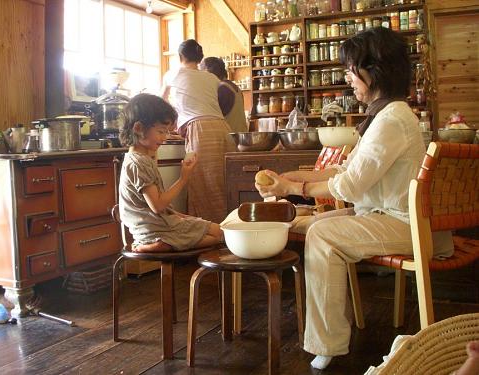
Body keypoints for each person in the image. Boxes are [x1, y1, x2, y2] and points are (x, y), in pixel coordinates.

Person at [255, 27, 453, 370]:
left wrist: (292, 189)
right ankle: (329, 336)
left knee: (321, 234)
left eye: (351, 70)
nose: (348, 78)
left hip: (408, 225)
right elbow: (343, 171)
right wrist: (290, 179)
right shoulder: (385, 114)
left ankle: (327, 343)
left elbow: (348, 187)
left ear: (374, 70)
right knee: (316, 224)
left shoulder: (392, 118)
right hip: (388, 217)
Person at [118, 93, 223, 253]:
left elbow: (157, 207)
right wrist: (183, 178)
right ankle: (160, 244)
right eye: (161, 131)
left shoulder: (139, 158)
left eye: (167, 131)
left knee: (218, 233)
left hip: (155, 224)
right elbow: (158, 206)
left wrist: (183, 216)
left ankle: (165, 243)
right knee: (220, 235)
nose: (165, 137)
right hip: (154, 228)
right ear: (138, 128)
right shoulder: (139, 162)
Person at [161, 39, 234, 224]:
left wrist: (166, 126)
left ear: (180, 57)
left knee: (204, 185)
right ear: (200, 58)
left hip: (201, 130)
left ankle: (211, 236)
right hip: (222, 129)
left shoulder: (172, 74)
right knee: (223, 185)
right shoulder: (211, 77)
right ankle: (229, 232)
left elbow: (159, 103)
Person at [199, 57, 248, 133]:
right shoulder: (233, 87)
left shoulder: (222, 89)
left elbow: (211, 118)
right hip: (238, 138)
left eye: (201, 71)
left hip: (229, 140)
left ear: (209, 72)